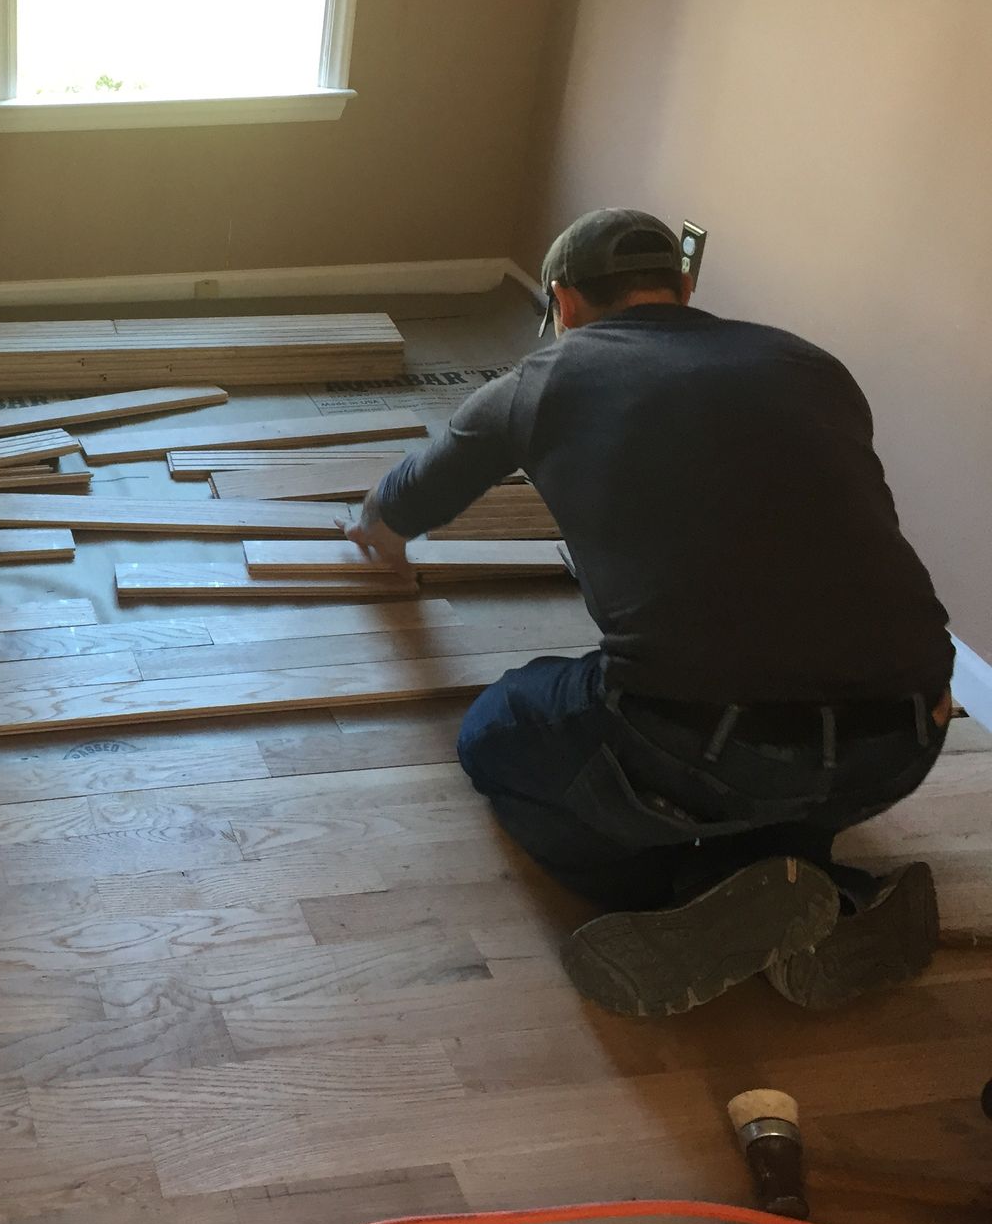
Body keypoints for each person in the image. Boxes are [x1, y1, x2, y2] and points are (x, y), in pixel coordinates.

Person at [345, 207, 954, 1017]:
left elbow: (414, 494)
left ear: (562, 304)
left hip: (703, 738)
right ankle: (812, 888)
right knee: (790, 775)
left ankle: (686, 893)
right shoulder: (811, 363)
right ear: (684, 287)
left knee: (496, 735)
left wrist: (371, 531)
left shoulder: (543, 381)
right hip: (915, 727)